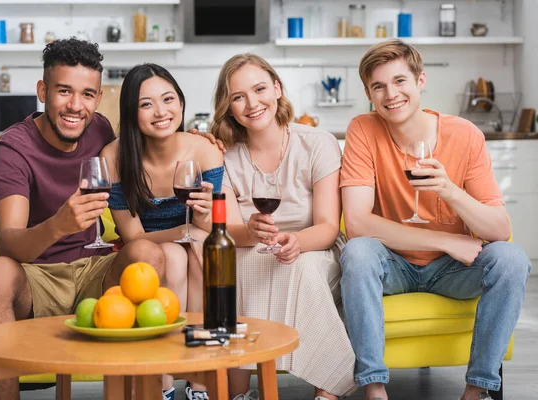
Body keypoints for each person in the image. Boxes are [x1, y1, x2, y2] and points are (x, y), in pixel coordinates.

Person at [339, 39, 532, 400]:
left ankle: (477, 390)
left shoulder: (464, 135)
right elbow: (358, 224)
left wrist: (450, 191)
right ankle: (374, 388)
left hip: (453, 271)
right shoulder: (363, 129)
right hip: (393, 265)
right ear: (368, 93)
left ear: (420, 81)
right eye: (378, 86)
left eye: (399, 81)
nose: (390, 94)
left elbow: (499, 230)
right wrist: (445, 240)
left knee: (512, 258)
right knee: (359, 252)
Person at [0, 39, 166, 400]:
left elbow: (155, 149)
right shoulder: (12, 148)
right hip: (37, 276)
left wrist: (201, 141)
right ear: (43, 91)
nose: (76, 106)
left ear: (98, 97)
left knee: (148, 255)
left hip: (94, 270)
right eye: (64, 91)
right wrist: (59, 225)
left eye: (87, 94)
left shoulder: (100, 129)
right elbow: (9, 242)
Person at [211, 53, 356, 400]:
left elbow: (326, 226)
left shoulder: (317, 143)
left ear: (277, 89)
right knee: (230, 267)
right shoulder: (223, 156)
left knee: (301, 268)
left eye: (260, 89)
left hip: (314, 248)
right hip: (250, 249)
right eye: (238, 96)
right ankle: (239, 394)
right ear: (228, 106)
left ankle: (329, 390)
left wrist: (296, 242)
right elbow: (229, 230)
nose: (252, 103)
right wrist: (251, 231)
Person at [100, 63, 224, 400]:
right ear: (131, 113)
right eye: (146, 104)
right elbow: (133, 237)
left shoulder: (203, 150)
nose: (160, 111)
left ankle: (199, 380)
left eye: (168, 99)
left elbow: (208, 225)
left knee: (200, 246)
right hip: (144, 250)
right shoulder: (114, 157)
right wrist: (183, 231)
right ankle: (164, 379)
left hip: (193, 241)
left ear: (181, 104)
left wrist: (199, 220)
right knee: (171, 254)